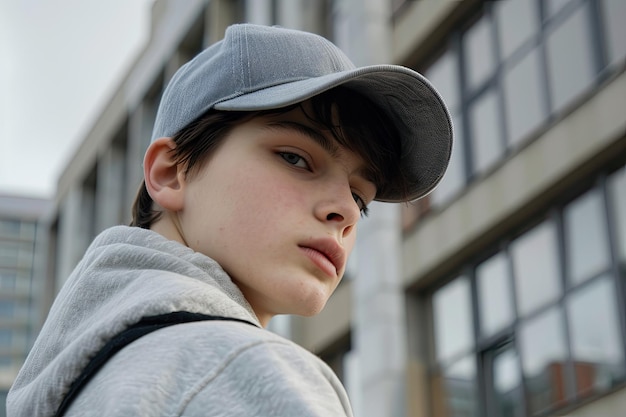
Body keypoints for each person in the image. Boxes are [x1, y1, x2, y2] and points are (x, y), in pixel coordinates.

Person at [7, 23, 452, 416]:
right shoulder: (246, 370)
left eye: (360, 195)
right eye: (296, 158)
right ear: (170, 172)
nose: (347, 211)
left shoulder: (86, 380)